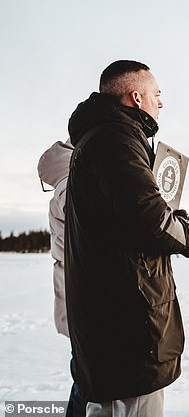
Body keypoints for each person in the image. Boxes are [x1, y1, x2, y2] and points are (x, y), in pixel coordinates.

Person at [65, 60, 189, 417]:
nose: (161, 103)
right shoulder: (115, 138)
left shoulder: (102, 138)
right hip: (127, 328)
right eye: (157, 94)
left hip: (113, 322)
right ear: (136, 97)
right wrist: (185, 235)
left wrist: (173, 220)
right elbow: (149, 218)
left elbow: (131, 213)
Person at [38, 139, 87, 417]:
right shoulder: (68, 190)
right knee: (85, 388)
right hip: (82, 302)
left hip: (74, 299)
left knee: (83, 381)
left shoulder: (63, 190)